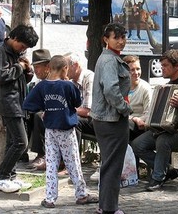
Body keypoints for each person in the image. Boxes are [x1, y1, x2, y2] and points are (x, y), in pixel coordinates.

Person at [22, 55, 98, 208]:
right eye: (67, 70)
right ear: (64, 69)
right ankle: (81, 194)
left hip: (50, 130)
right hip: (66, 130)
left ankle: (50, 198)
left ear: (49, 68)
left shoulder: (42, 86)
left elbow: (28, 103)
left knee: (51, 163)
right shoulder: (68, 86)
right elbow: (77, 102)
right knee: (73, 162)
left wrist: (45, 108)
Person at [131, 49, 178, 191]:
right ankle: (168, 171)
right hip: (162, 130)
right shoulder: (165, 87)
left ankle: (158, 178)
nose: (161, 68)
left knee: (163, 140)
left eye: (165, 65)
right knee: (137, 144)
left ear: (177, 65)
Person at [0, 24, 39, 193]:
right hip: (8, 103)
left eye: (26, 48)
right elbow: (1, 77)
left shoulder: (16, 53)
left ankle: (10, 177)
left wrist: (28, 70)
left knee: (12, 143)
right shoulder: (0, 52)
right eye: (22, 46)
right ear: (14, 38)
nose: (23, 49)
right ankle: (1, 177)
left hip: (18, 101)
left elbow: (22, 79)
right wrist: (19, 67)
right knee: (21, 143)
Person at [90, 23, 132, 214]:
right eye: (117, 37)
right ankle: (109, 208)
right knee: (112, 166)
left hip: (108, 119)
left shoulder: (110, 58)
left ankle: (105, 206)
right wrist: (124, 109)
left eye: (124, 37)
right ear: (106, 39)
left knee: (110, 164)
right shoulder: (109, 61)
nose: (121, 41)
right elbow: (111, 90)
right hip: (111, 120)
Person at [89, 55, 152, 181]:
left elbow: (148, 113)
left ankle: (108, 165)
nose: (136, 73)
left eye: (138, 69)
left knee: (119, 126)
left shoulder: (145, 88)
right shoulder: (121, 86)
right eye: (132, 70)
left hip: (138, 125)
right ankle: (109, 165)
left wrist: (133, 118)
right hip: (124, 121)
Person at [24, 49, 52, 170]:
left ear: (48, 66)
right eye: (34, 67)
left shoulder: (55, 80)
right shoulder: (39, 82)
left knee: (38, 116)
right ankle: (21, 151)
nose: (36, 70)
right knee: (25, 114)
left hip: (57, 113)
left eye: (38, 67)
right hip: (45, 111)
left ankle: (42, 153)